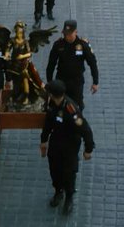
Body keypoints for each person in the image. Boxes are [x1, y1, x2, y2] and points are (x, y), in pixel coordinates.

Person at [40, 79, 94, 215]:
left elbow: (85, 129)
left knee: (68, 172)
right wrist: (44, 140)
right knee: (54, 169)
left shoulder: (71, 110)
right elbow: (48, 123)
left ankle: (69, 197)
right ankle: (58, 191)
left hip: (70, 144)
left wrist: (88, 149)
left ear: (53, 94)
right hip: (56, 142)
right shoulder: (52, 104)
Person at [46, 19, 99, 110]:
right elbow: (51, 64)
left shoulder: (83, 45)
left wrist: (95, 82)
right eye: (66, 34)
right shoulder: (58, 45)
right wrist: (50, 83)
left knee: (77, 106)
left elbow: (92, 63)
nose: (67, 36)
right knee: (58, 105)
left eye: (70, 34)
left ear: (76, 32)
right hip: (61, 79)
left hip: (76, 81)